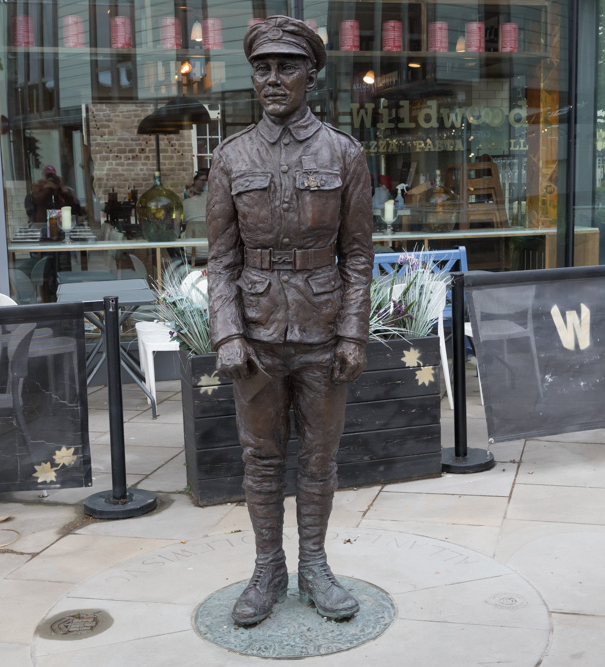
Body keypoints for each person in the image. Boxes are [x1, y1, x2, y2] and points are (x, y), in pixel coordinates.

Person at [206, 16, 373, 626]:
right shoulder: (230, 157)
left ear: (311, 75)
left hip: (324, 329)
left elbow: (358, 255)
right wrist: (227, 332)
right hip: (253, 333)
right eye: (263, 67)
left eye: (286, 66)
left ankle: (315, 565)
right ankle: (266, 566)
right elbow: (220, 261)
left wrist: (353, 332)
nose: (272, 79)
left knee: (320, 458)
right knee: (261, 458)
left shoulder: (344, 153)